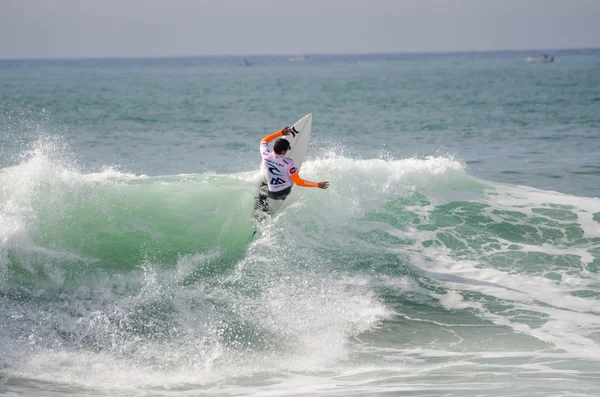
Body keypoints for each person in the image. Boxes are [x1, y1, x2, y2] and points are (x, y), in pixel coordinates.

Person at [254, 125, 329, 220]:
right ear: (283, 151)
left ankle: (261, 213)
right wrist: (317, 184)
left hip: (272, 192)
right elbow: (298, 182)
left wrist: (280, 133)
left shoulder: (265, 155)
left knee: (262, 187)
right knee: (292, 174)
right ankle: (269, 211)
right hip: (283, 192)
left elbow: (264, 141)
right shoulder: (288, 163)